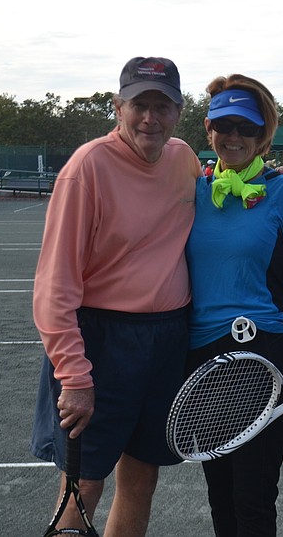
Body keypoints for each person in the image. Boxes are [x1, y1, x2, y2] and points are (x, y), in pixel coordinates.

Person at [31, 56, 201, 537]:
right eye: (139, 104)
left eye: (162, 106)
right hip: (100, 343)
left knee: (142, 477)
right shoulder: (87, 168)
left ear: (178, 112)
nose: (151, 117)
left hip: (167, 340)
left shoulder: (183, 158)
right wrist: (74, 375)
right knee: (82, 487)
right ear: (118, 108)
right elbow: (53, 286)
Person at [185, 73, 283, 536]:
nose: (235, 137)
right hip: (201, 360)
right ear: (208, 130)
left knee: (254, 495)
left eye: (247, 128)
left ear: (263, 134)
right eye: (225, 126)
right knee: (219, 495)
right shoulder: (192, 191)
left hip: (264, 354)